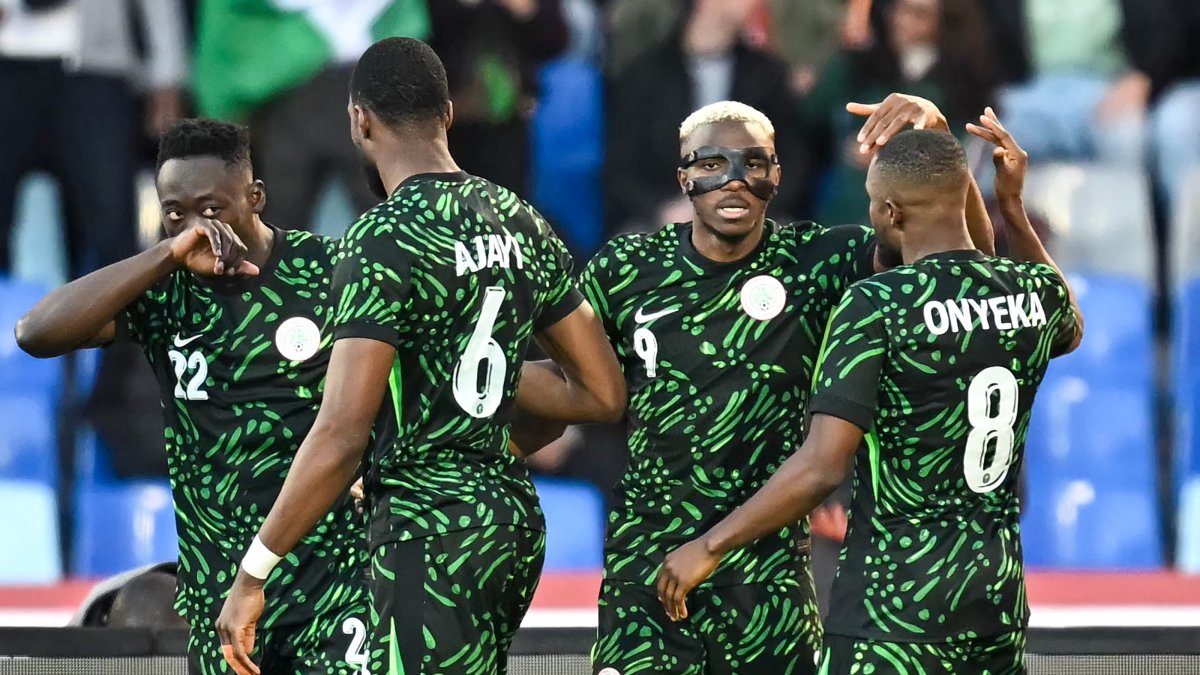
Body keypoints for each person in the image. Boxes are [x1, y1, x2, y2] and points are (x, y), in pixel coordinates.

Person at [517, 95, 994, 675]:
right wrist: (484, 434)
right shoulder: (627, 267)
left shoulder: (821, 259)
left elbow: (965, 269)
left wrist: (940, 146)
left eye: (754, 163)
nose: (735, 180)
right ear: (684, 178)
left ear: (777, 176)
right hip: (648, 571)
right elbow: (573, 383)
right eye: (712, 164)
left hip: (769, 584)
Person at [214, 37, 625, 675]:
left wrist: (253, 573)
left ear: (359, 121)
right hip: (511, 522)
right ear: (448, 114)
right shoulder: (519, 218)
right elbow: (601, 392)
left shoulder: (382, 237)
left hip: (427, 531)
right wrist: (473, 382)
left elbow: (342, 433)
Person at [656, 119, 1084, 674]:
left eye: (872, 204)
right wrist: (1011, 206)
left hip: (893, 608)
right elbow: (1068, 327)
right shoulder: (1033, 292)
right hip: (995, 599)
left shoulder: (877, 305)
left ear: (890, 213)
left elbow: (821, 467)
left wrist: (709, 547)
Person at [15, 119, 369, 675]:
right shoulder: (165, 290)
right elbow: (36, 333)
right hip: (220, 603)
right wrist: (164, 255)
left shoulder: (329, 270)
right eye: (174, 213)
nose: (197, 227)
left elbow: (397, 380)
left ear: (255, 197)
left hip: (333, 589)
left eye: (212, 208)